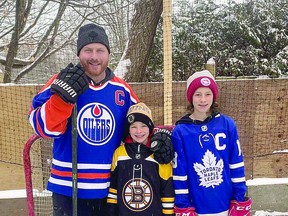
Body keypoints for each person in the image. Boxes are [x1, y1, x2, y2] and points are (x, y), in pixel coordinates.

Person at [28, 23, 173, 216]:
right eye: (88, 50)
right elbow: (42, 128)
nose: (94, 56)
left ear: (108, 54)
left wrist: (159, 139)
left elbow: (138, 129)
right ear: (79, 53)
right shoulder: (60, 82)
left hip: (111, 188)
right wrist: (61, 101)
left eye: (100, 50)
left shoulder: (122, 90)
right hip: (68, 189)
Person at [171, 70, 252, 216]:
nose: (203, 100)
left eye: (207, 94)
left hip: (225, 203)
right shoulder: (181, 131)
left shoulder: (227, 124)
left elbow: (236, 163)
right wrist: (183, 205)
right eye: (198, 94)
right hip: (197, 205)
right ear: (190, 98)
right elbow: (179, 172)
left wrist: (239, 197)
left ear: (214, 96)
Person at [106, 102, 175, 216]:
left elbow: (167, 191)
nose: (139, 131)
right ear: (128, 129)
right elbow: (114, 188)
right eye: (133, 127)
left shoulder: (159, 154)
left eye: (143, 126)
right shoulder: (119, 153)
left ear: (150, 127)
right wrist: (111, 211)